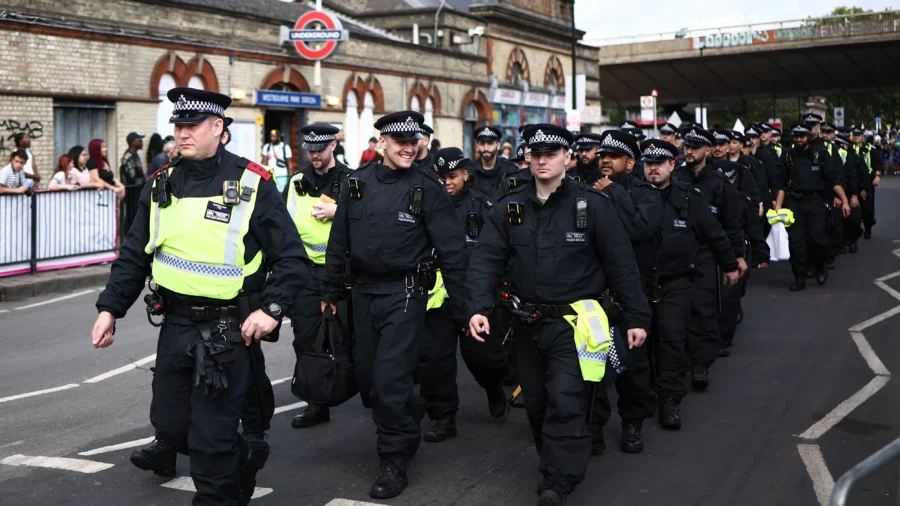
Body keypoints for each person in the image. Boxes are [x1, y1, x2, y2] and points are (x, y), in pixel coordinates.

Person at [91, 87, 309, 506]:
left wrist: (272, 309)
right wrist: (109, 308)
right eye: (178, 126)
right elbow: (135, 253)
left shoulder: (251, 182)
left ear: (218, 129)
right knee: (171, 430)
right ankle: (244, 456)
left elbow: (291, 258)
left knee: (211, 441)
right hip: (175, 324)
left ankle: (221, 488)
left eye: (192, 126)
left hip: (227, 330)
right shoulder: (160, 184)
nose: (182, 134)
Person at [467, 123, 651, 506]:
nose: (542, 160)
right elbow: (485, 260)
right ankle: (555, 460)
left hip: (575, 325)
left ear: (567, 158)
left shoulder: (593, 206)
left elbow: (622, 265)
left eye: (551, 154)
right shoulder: (510, 207)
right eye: (535, 154)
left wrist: (637, 316)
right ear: (527, 158)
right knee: (536, 404)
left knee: (565, 399)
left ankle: (558, 479)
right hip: (526, 324)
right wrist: (478, 308)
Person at [320, 111, 469, 500]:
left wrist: (468, 307)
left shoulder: (428, 188)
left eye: (414, 141)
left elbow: (453, 252)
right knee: (368, 381)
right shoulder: (356, 183)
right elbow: (339, 243)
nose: (408, 147)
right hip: (362, 294)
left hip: (406, 294)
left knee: (389, 378)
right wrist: (329, 292)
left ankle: (394, 460)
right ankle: (407, 409)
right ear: (381, 142)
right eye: (400, 141)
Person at [642, 139, 739, 429]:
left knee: (672, 338)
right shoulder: (630, 196)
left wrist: (731, 264)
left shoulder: (689, 197)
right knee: (642, 344)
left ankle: (669, 399)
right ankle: (643, 396)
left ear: (673, 165)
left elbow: (715, 234)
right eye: (649, 163)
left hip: (676, 282)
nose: (653, 168)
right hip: (640, 283)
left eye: (660, 163)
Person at [419, 147, 510, 444]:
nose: (447, 181)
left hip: (472, 297)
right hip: (438, 297)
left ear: (465, 175)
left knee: (483, 357)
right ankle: (443, 417)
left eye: (453, 176)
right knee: (436, 360)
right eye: (442, 176)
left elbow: (496, 253)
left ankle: (493, 385)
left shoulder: (483, 207)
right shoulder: (426, 205)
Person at [588, 130, 663, 455]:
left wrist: (614, 193)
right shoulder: (587, 191)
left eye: (614, 156)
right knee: (593, 362)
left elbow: (640, 230)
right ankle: (593, 427)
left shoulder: (647, 195)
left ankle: (632, 423)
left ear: (630, 162)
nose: (605, 160)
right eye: (602, 155)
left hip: (633, 293)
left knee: (633, 365)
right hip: (595, 293)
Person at [284, 123, 354, 430]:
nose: (314, 155)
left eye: (319, 149)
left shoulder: (352, 180)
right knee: (305, 337)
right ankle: (316, 403)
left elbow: (370, 221)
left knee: (349, 336)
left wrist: (338, 212)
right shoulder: (297, 182)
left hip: (344, 271)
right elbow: (287, 227)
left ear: (333, 147)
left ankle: (364, 391)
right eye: (310, 150)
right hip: (307, 272)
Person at [673, 126, 747, 389]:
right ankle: (679, 363)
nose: (689, 151)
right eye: (686, 146)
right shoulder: (674, 178)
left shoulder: (719, 185)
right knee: (676, 313)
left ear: (707, 149)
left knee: (703, 310)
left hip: (706, 255)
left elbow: (731, 224)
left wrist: (737, 257)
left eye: (694, 147)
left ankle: (700, 365)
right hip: (676, 255)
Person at [776, 123, 849, 291]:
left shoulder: (821, 155)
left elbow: (833, 181)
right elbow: (781, 183)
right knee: (796, 243)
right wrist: (778, 206)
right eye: (795, 136)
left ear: (808, 137)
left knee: (818, 241)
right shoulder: (788, 156)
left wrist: (844, 200)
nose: (798, 139)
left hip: (816, 202)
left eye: (801, 136)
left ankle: (820, 265)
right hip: (795, 203)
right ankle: (799, 278)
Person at [711, 160, 769, 357]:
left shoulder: (741, 200)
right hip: (708, 253)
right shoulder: (703, 197)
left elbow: (753, 227)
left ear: (734, 179)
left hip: (734, 250)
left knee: (731, 295)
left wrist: (761, 252)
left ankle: (724, 339)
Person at [465, 126, 521, 200]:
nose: (486, 148)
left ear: (498, 146)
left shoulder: (510, 170)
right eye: (482, 143)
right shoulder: (468, 170)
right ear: (477, 146)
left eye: (490, 143)